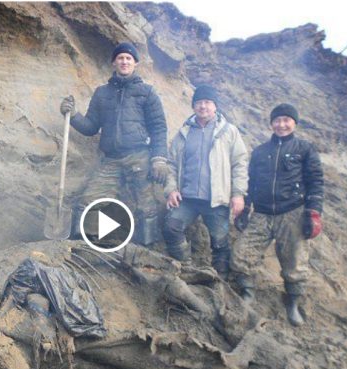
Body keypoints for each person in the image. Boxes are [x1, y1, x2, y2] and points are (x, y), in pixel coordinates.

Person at [59, 42, 169, 246]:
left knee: (146, 206)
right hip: (111, 160)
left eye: (129, 58)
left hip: (139, 158)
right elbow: (91, 126)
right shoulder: (102, 93)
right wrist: (73, 115)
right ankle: (82, 244)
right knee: (87, 202)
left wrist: (159, 159)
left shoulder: (147, 93)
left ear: (135, 63)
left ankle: (148, 249)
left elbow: (159, 128)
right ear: (114, 63)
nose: (124, 61)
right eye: (120, 58)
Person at [231, 104, 323, 327]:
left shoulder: (305, 149)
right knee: (242, 254)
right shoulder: (260, 152)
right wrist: (246, 208)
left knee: (295, 263)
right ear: (271, 123)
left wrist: (313, 212)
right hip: (262, 213)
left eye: (286, 120)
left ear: (294, 123)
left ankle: (291, 304)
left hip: (292, 212)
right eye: (277, 120)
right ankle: (248, 292)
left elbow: (316, 182)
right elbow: (251, 182)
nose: (281, 125)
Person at [162, 85, 248, 277]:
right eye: (199, 103)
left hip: (216, 201)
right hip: (187, 199)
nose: (203, 106)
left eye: (207, 102)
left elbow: (240, 164)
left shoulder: (229, 132)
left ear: (215, 106)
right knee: (171, 227)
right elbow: (171, 164)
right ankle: (186, 267)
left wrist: (238, 194)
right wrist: (171, 190)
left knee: (220, 242)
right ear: (193, 106)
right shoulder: (183, 132)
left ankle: (220, 281)